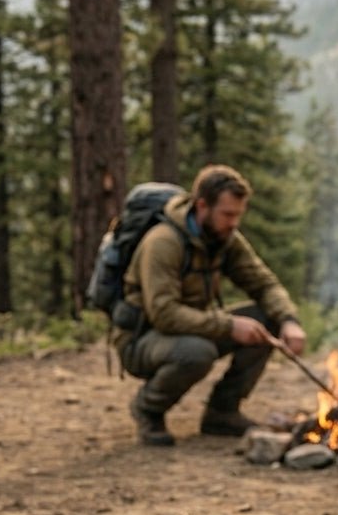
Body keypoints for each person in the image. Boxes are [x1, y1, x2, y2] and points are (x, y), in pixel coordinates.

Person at [113, 164, 307, 446]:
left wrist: (289, 319)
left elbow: (263, 283)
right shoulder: (163, 243)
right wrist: (229, 326)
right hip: (141, 339)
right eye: (228, 214)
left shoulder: (224, 238)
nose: (234, 223)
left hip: (191, 327)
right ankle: (148, 409)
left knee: (268, 319)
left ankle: (222, 413)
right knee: (197, 352)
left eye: (238, 215)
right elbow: (164, 314)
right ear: (202, 205)